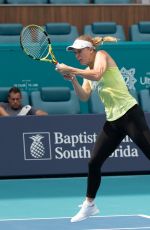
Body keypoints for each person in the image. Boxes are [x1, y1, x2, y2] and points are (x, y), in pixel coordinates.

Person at [56, 35, 150, 223]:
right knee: (94, 162)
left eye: (79, 51)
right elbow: (84, 96)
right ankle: (89, 205)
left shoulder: (102, 56)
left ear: (90, 49)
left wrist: (70, 69)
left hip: (130, 115)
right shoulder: (85, 71)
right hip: (113, 121)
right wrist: (73, 78)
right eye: (74, 53)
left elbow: (98, 74)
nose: (77, 56)